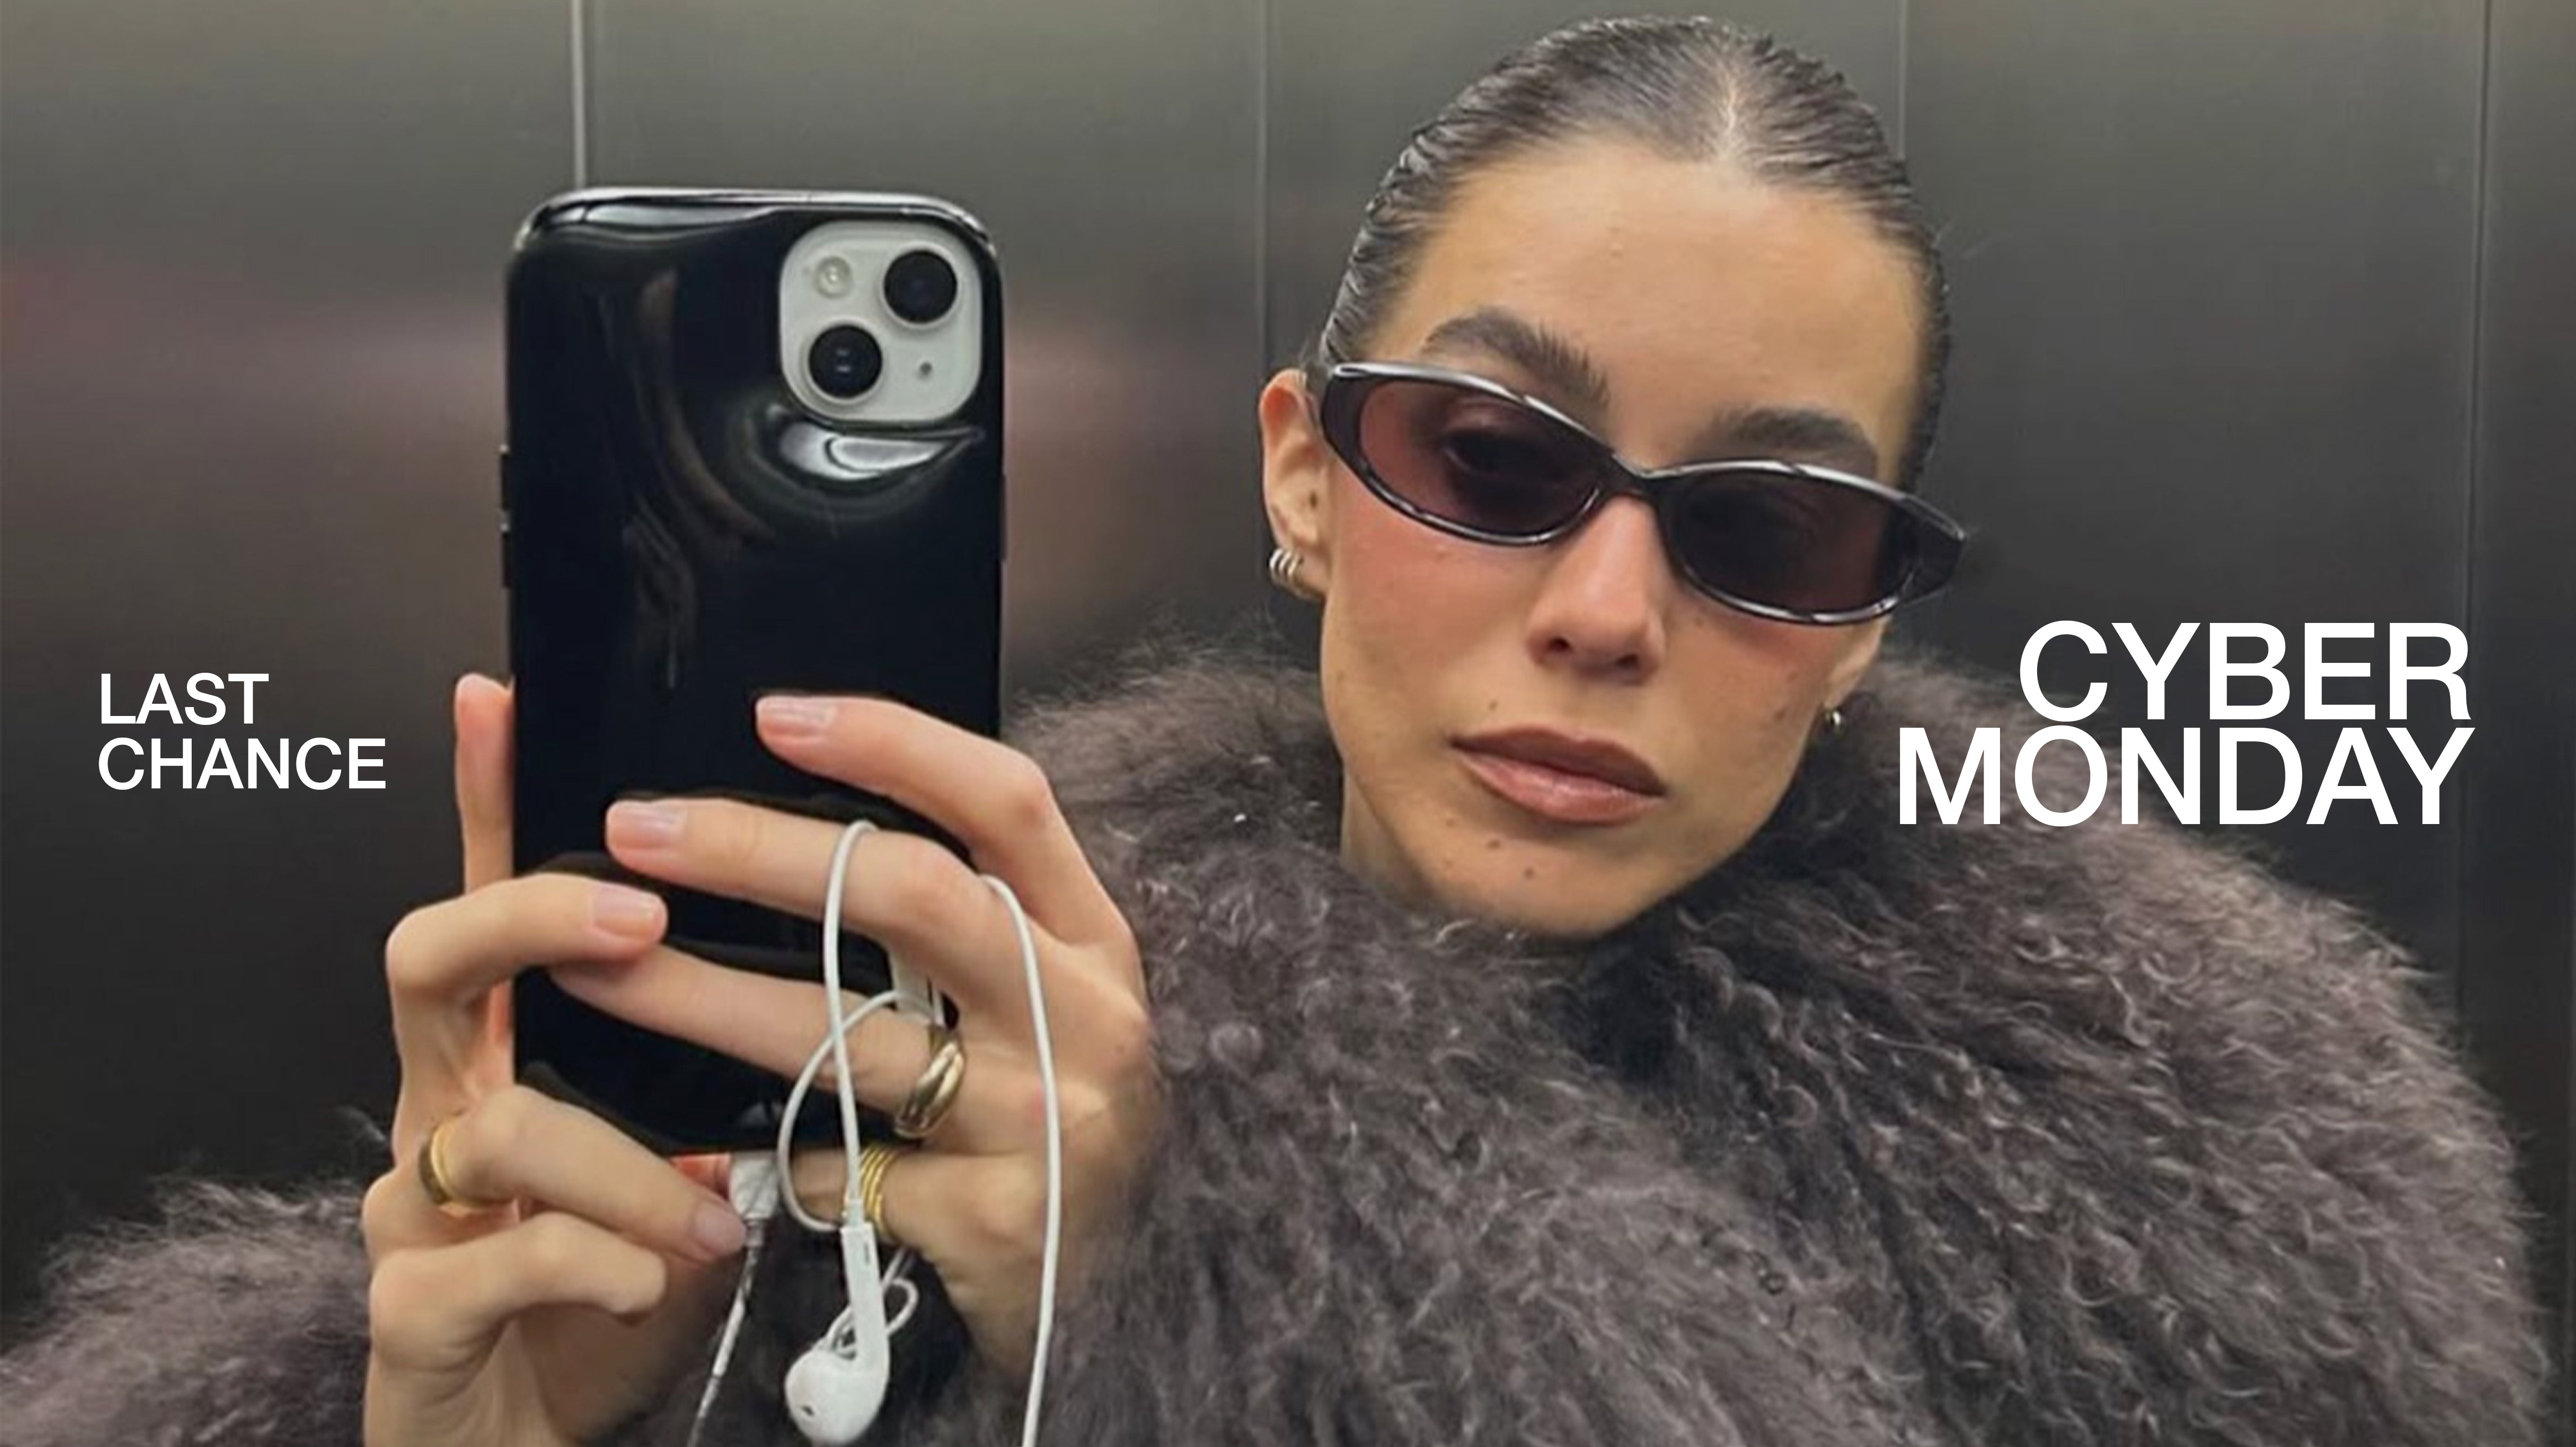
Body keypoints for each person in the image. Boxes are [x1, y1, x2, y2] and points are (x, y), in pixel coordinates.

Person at [0, 16, 2551, 1447]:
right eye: (1493, 462)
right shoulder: (921, 1007)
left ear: (1868, 618)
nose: (1607, 612)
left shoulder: (2201, 1192)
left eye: (1772, 527)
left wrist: (1183, 1283)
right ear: (1304, 483)